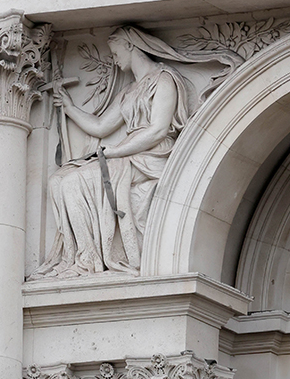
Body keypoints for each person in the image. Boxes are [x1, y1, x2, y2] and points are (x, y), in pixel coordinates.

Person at [32, 27, 234, 278]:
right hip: (128, 153)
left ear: (130, 45)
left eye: (115, 51)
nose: (114, 58)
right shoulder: (129, 91)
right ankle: (74, 257)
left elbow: (159, 130)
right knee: (57, 180)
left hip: (151, 154)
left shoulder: (164, 79)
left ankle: (89, 260)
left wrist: (116, 151)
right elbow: (101, 126)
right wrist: (69, 107)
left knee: (73, 183)